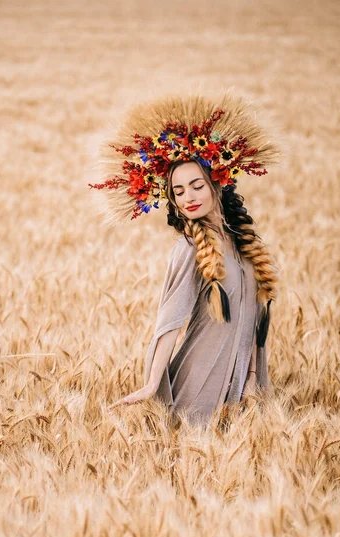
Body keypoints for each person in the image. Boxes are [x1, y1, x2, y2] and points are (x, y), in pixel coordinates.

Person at [89, 91, 281, 427]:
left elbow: (253, 318)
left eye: (196, 186)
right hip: (200, 382)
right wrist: (152, 383)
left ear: (217, 185)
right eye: (178, 192)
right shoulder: (190, 249)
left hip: (241, 383)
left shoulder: (243, 245)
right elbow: (170, 320)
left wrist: (251, 377)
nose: (188, 198)